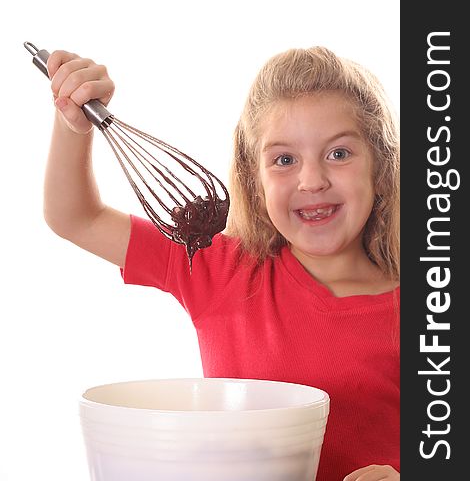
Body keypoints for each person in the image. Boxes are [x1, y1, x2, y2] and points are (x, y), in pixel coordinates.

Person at [44, 46, 400, 481]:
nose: (312, 180)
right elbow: (77, 217)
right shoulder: (219, 269)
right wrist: (72, 126)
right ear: (255, 179)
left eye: (339, 153)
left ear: (381, 166)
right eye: (284, 160)